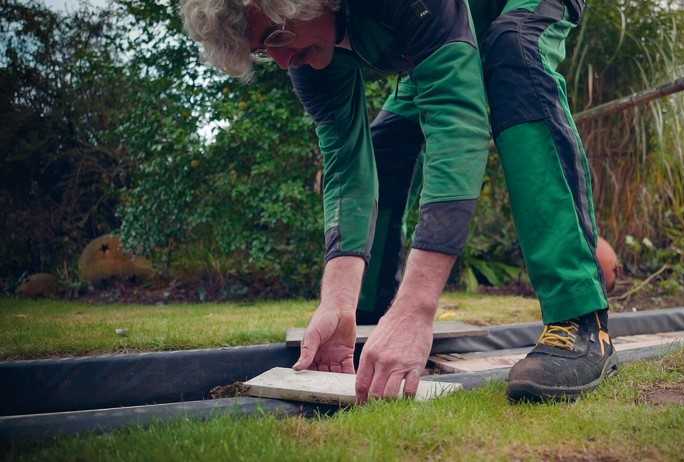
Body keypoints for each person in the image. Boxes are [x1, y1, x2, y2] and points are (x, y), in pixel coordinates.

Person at [181, 0, 616, 403]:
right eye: (262, 49)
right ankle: (367, 315)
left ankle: (579, 321)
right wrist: (338, 303)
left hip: (505, 8)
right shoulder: (307, 57)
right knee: (386, 143)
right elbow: (346, 166)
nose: (281, 60)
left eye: (276, 36)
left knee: (513, 52)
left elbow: (457, 127)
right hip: (446, 33)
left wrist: (416, 310)